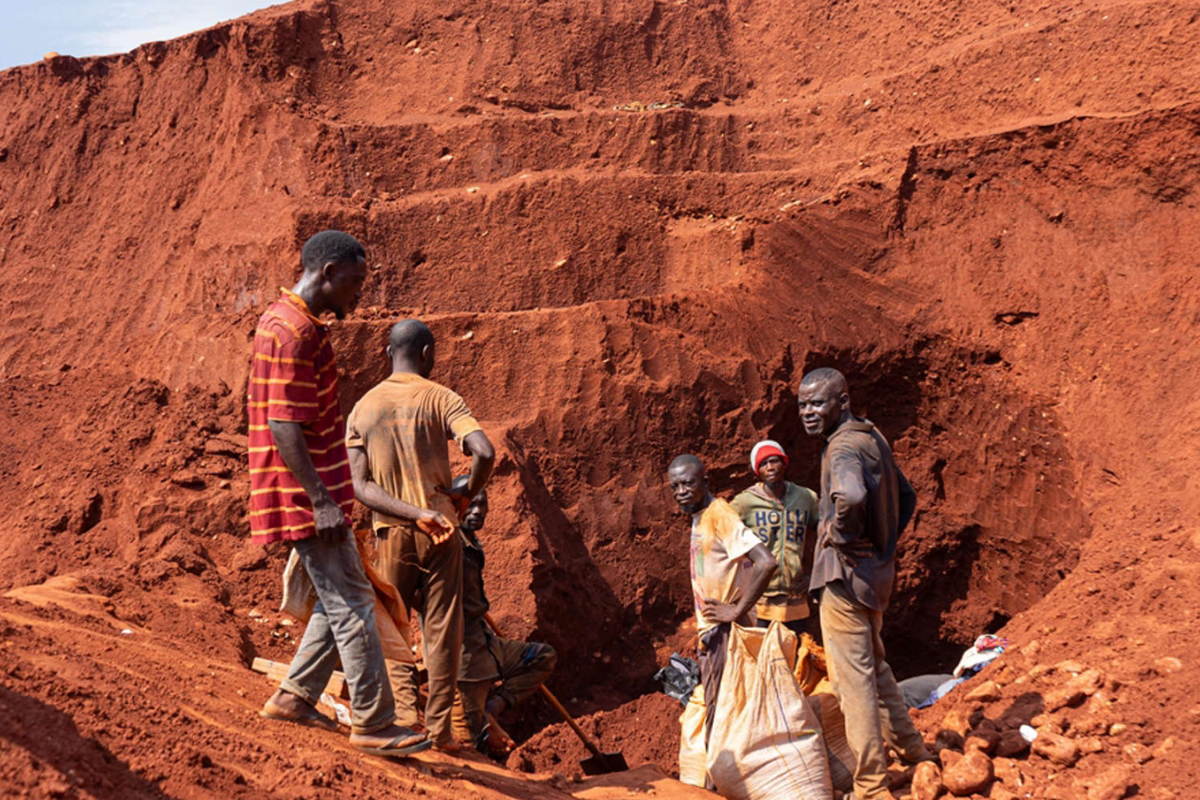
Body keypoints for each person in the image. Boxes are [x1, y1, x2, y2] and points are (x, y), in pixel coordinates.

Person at [251, 230, 429, 756]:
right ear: (327, 273)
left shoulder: (287, 324)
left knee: (336, 601)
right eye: (354, 281)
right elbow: (283, 424)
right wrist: (322, 499)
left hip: (312, 491)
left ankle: (295, 696)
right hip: (307, 496)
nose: (358, 294)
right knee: (353, 600)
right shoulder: (293, 334)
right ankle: (374, 723)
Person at [346, 319, 495, 751]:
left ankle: (404, 721)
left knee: (394, 624)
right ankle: (440, 731)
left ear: (388, 354)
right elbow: (484, 450)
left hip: (392, 530)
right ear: (428, 354)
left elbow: (360, 486)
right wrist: (469, 488)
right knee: (442, 629)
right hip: (442, 531)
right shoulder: (441, 397)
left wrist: (409, 513)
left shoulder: (364, 407)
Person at [798, 367, 932, 800]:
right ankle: (914, 753)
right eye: (802, 404)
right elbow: (907, 497)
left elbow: (851, 497)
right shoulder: (872, 436)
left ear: (842, 401)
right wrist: (880, 546)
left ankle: (872, 788)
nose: (808, 412)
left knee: (852, 687)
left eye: (817, 403)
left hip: (843, 581)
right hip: (874, 578)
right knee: (875, 668)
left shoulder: (841, 449)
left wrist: (840, 537)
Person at [667, 454, 777, 748]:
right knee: (728, 708)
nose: (681, 492)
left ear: (706, 482)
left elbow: (766, 562)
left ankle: (713, 789)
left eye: (688, 483)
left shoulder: (720, 515)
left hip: (724, 634)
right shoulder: (701, 518)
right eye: (675, 487)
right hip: (714, 632)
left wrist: (737, 609)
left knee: (719, 712)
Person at [446, 476, 557, 753]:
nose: (477, 511)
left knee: (543, 657)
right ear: (454, 505)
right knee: (471, 745)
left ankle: (492, 706)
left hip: (486, 644)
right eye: (469, 504)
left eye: (482, 504)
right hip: (465, 657)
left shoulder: (473, 543)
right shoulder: (449, 546)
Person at [730, 439, 819, 637]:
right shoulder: (745, 502)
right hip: (759, 599)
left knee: (797, 655)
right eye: (763, 463)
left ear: (784, 463)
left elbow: (825, 535)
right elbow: (724, 536)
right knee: (763, 659)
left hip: (795, 598)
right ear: (757, 470)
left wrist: (814, 574)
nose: (770, 467)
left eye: (774, 461)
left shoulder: (806, 498)